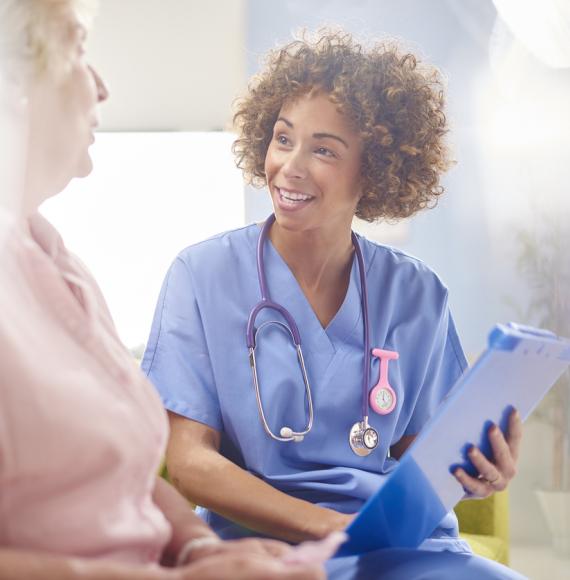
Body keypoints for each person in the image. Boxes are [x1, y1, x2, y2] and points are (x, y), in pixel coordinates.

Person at [142, 29, 526, 579]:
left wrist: (480, 470)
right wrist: (329, 526)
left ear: (372, 171)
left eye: (323, 149)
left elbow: (431, 462)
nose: (290, 167)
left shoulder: (416, 293)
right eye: (282, 138)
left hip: (399, 549)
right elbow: (190, 464)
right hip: (266, 546)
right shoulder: (202, 275)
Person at [0, 1, 327, 579]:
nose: (101, 86)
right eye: (77, 51)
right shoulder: (202, 274)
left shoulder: (57, 265)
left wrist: (200, 548)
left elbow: (127, 479)